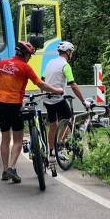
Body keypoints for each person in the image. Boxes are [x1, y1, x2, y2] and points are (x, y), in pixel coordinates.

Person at [0, 40, 63, 183]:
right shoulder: (25, 67)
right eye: (30, 55)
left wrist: (1, 91)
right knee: (18, 140)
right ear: (25, 54)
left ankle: (4, 171)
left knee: (5, 138)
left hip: (1, 103)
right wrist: (57, 90)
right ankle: (11, 168)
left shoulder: (1, 63)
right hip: (15, 105)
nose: (30, 58)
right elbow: (40, 84)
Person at [42, 41, 87, 173]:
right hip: (58, 98)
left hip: (47, 98)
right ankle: (59, 144)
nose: (71, 54)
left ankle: (51, 152)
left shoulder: (50, 63)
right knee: (69, 119)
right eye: (71, 52)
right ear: (68, 52)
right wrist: (83, 101)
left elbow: (43, 78)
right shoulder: (65, 65)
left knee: (53, 124)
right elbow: (73, 84)